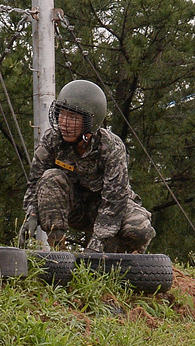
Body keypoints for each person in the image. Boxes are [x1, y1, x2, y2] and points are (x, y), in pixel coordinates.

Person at [19, 79, 156, 253]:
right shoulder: (51, 140)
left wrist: (98, 241)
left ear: (91, 122)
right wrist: (31, 214)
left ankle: (120, 261)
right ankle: (59, 257)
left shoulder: (111, 147)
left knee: (139, 229)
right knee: (51, 178)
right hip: (75, 208)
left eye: (73, 118)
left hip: (108, 209)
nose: (65, 123)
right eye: (62, 114)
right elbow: (35, 181)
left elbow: (115, 198)